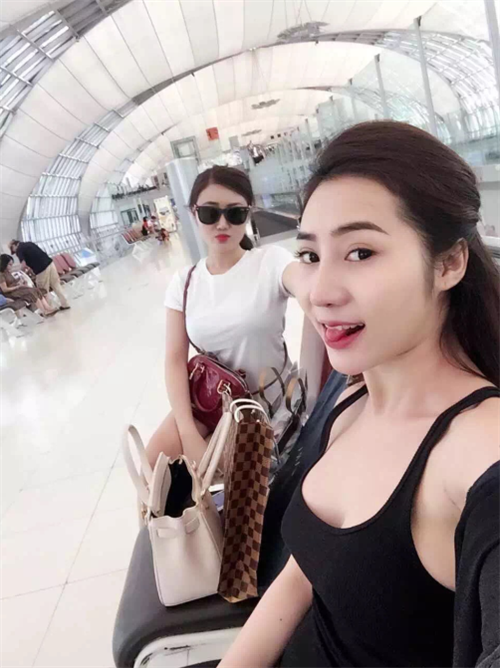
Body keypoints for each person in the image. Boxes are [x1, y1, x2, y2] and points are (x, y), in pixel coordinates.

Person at [220, 121, 499, 667]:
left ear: (449, 263)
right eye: (310, 255)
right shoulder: (351, 399)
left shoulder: (475, 449)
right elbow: (303, 574)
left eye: (361, 252)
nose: (321, 293)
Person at [146, 165, 301, 467]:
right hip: (212, 401)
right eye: (209, 213)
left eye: (235, 213)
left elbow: (305, 284)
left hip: (268, 403)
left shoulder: (270, 261)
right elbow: (175, 359)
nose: (222, 224)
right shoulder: (185, 282)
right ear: (193, 214)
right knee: (154, 463)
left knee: (245, 482)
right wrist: (188, 432)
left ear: (248, 212)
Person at [8, 240, 70, 311]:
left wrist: (20, 272)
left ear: (14, 245)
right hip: (50, 263)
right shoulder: (29, 243)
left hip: (41, 269)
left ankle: (48, 309)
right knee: (56, 285)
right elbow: (35, 257)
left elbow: (23, 264)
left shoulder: (19, 249)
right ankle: (65, 304)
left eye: (12, 250)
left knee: (42, 290)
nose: (14, 252)